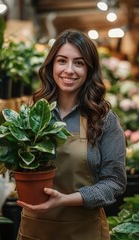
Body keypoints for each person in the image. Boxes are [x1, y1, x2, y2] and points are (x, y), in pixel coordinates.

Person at [16, 29, 127, 240]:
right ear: (51, 66)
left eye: (79, 62)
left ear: (89, 69)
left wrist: (64, 200)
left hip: (84, 229)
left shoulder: (103, 119)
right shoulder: (33, 114)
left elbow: (115, 182)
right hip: (35, 227)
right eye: (62, 61)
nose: (69, 70)